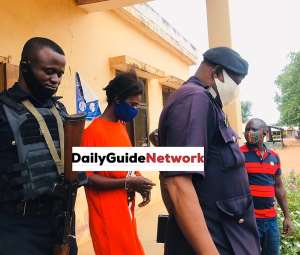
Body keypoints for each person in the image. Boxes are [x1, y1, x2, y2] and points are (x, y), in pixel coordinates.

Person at [158, 47, 260, 255]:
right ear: (216, 73)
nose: (235, 91)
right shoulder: (194, 99)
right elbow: (178, 183)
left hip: (228, 232)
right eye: (235, 83)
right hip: (216, 238)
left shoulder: (207, 102)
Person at [0, 37, 78, 255]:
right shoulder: (3, 109)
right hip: (17, 229)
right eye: (49, 71)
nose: (55, 79)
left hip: (61, 223)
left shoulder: (60, 110)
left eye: (60, 74)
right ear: (25, 67)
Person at [81, 71, 155, 255]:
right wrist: (128, 183)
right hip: (106, 220)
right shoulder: (92, 133)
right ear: (117, 99)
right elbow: (87, 178)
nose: (135, 110)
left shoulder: (120, 128)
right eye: (133, 104)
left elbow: (127, 165)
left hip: (125, 214)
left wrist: (140, 184)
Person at [241, 118, 293, 255]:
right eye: (247, 129)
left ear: (264, 132)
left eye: (253, 129)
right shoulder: (239, 154)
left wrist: (287, 216)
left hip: (271, 221)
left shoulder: (274, 157)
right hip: (250, 220)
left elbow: (279, 188)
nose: (249, 132)